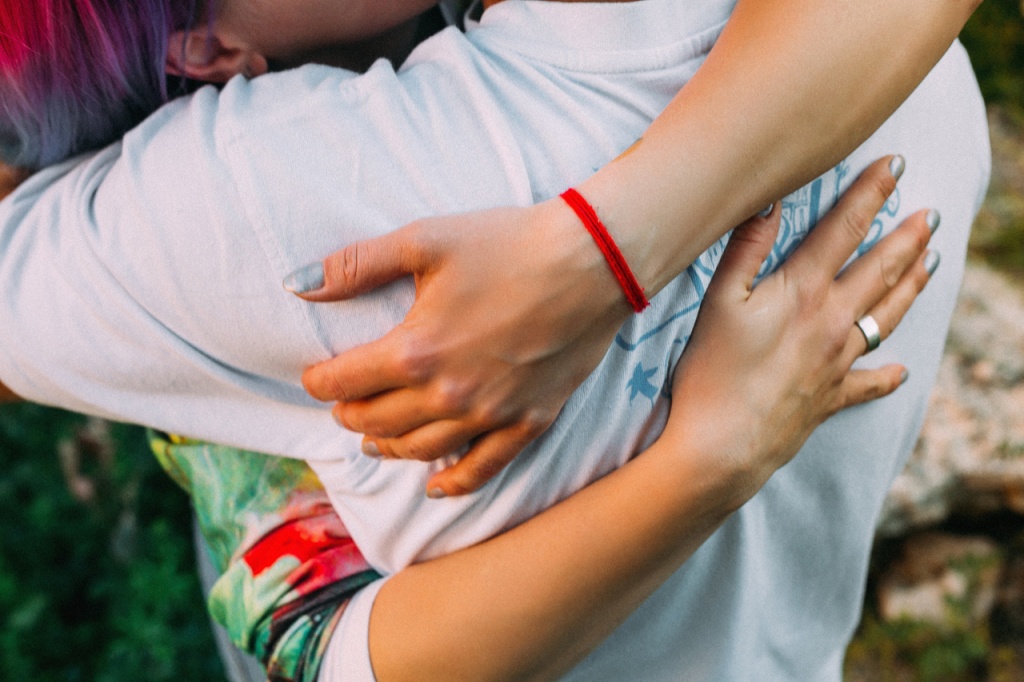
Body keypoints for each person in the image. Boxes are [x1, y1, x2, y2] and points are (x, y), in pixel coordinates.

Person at [0, 0, 988, 679]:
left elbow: (338, 653)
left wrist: (611, 262)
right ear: (205, 46)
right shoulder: (905, 68)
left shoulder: (240, 194)